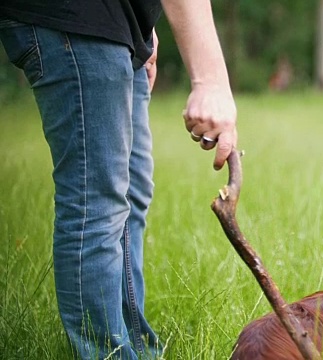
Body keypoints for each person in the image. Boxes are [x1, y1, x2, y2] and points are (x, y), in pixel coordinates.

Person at [0, 0, 237, 358]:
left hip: (116, 21)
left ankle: (136, 348)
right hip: (77, 18)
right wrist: (211, 81)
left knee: (132, 191)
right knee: (96, 204)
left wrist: (139, 22)